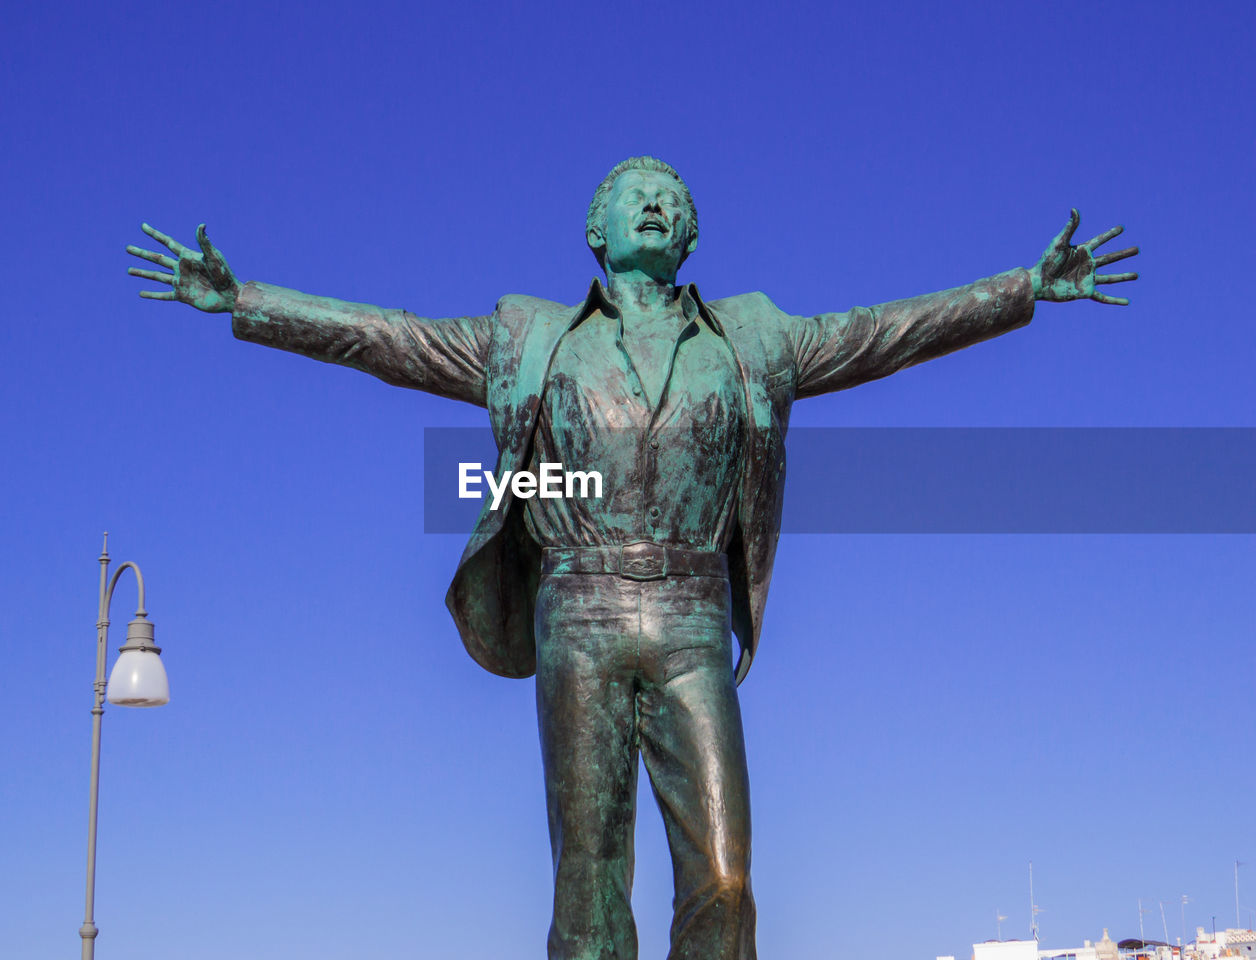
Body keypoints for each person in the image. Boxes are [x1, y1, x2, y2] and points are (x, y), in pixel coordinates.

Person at [126, 156, 1137, 960]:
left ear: (689, 233)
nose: (652, 204)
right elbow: (388, 340)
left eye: (670, 198)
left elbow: (883, 335)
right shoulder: (529, 339)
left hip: (692, 619)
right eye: (631, 196)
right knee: (588, 886)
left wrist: (1019, 291)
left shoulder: (750, 339)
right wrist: (246, 302)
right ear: (595, 232)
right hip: (579, 617)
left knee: (727, 879)